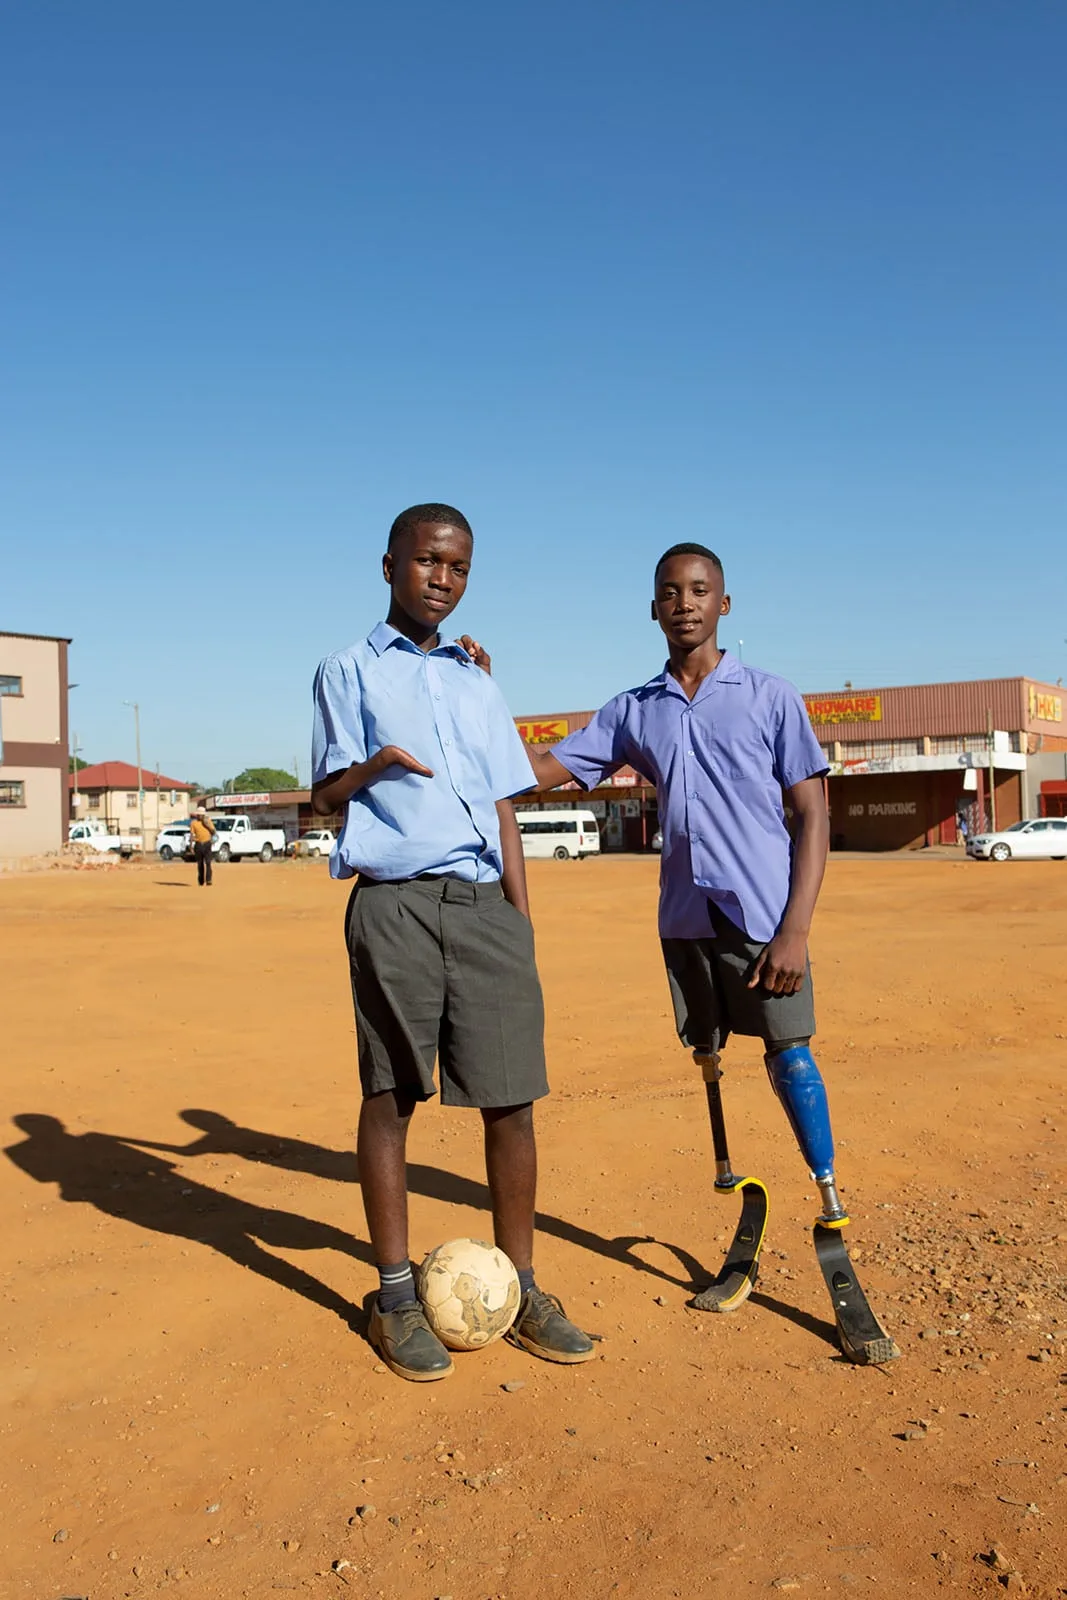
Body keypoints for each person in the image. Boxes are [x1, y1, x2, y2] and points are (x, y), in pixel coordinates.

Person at [521, 542, 888, 1353]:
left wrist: (795, 928)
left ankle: (831, 1213)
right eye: (668, 592)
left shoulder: (769, 698)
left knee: (789, 1057)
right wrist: (468, 720)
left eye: (698, 590)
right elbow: (546, 767)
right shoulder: (635, 708)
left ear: (724, 604)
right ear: (652, 609)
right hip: (684, 923)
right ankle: (738, 1200)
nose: (683, 603)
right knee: (709, 1057)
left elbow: (813, 816)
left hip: (764, 920)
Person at [310, 502, 593, 1382]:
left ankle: (522, 1284)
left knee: (512, 1100)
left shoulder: (478, 679)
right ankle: (394, 1294)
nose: (442, 578)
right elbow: (322, 795)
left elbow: (505, 803)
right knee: (392, 1094)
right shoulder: (345, 670)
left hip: (483, 908)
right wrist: (376, 766)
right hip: (392, 903)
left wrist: (518, 913)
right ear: (390, 563)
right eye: (428, 561)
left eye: (459, 567)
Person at [189, 807, 215, 886]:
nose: (200, 816)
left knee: (208, 862)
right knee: (200, 864)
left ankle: (209, 880)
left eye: (201, 815)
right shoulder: (194, 823)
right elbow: (192, 835)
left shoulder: (208, 821)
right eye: (198, 815)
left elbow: (213, 832)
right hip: (198, 844)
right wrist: (191, 846)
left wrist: (207, 825)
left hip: (207, 844)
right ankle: (201, 880)